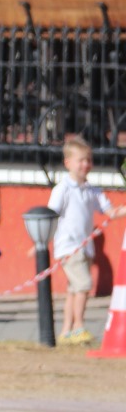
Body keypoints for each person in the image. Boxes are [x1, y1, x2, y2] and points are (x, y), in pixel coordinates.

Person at [48, 137, 126, 345]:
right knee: (83, 285)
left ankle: (66, 330)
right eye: (81, 160)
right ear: (68, 163)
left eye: (89, 160)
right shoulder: (62, 189)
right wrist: (42, 241)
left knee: (74, 289)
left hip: (85, 246)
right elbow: (50, 215)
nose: (86, 164)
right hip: (68, 247)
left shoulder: (92, 190)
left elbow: (110, 211)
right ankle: (78, 326)